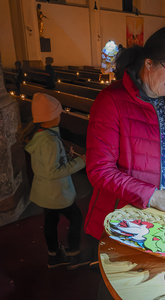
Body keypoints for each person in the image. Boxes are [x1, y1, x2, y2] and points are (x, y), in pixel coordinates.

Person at [84, 27, 165, 241]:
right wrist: (152, 196)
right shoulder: (111, 101)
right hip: (125, 216)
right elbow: (100, 170)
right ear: (149, 63)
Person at [21, 93, 87, 268]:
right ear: (50, 116)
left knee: (50, 221)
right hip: (56, 192)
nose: (60, 115)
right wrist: (81, 161)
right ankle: (73, 252)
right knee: (76, 217)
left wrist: (67, 156)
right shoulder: (49, 141)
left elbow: (47, 164)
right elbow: (53, 171)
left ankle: (53, 256)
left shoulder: (41, 135)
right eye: (58, 113)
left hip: (45, 192)